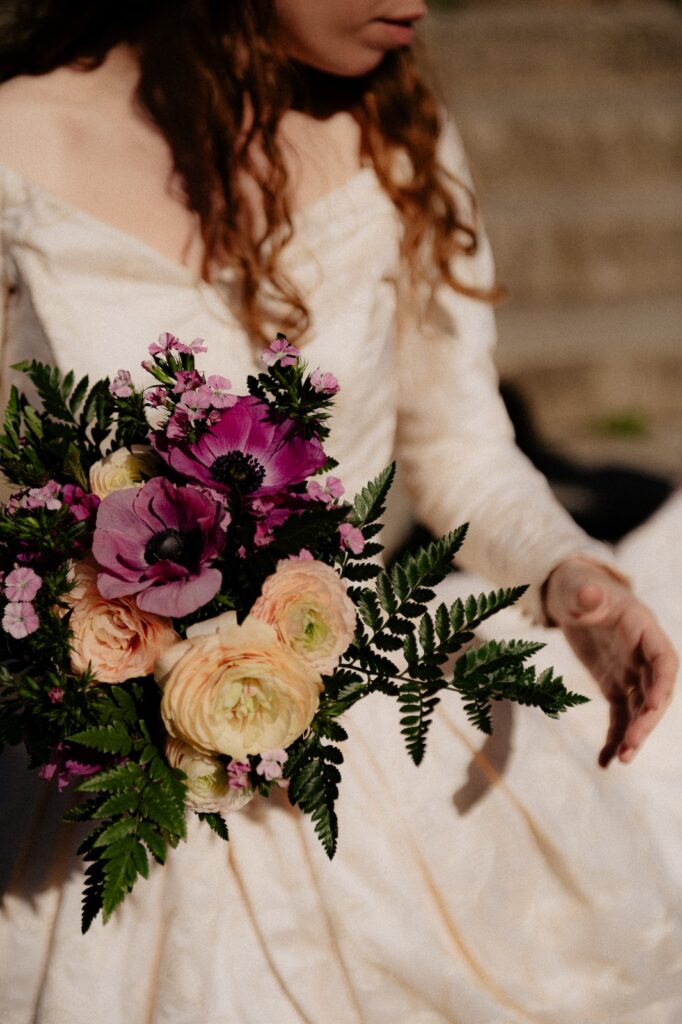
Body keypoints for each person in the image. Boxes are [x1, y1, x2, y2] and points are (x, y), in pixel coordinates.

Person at [0, 2, 679, 1021]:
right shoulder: (17, 138)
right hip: (96, 782)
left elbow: (460, 447)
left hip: (363, 766)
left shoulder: (392, 133)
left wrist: (567, 573)